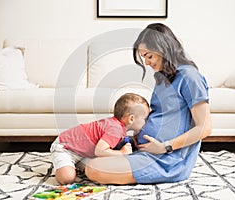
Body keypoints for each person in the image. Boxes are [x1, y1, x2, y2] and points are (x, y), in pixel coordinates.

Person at [85, 23, 212, 184]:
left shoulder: (189, 76)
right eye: (144, 57)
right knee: (89, 148)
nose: (146, 62)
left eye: (149, 56)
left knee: (93, 168)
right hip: (145, 150)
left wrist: (165, 146)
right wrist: (138, 134)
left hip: (166, 159)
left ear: (164, 50)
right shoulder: (163, 77)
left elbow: (205, 128)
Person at [50, 93, 150, 184]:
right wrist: (121, 153)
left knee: (98, 169)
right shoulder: (115, 129)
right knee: (67, 179)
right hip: (65, 147)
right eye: (145, 119)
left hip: (84, 152)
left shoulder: (118, 126)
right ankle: (61, 165)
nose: (147, 122)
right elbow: (99, 151)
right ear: (131, 119)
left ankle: (77, 164)